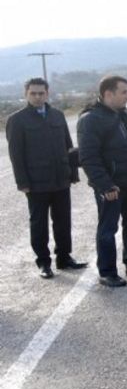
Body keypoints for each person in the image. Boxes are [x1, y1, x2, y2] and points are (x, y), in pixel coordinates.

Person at [78, 75, 127, 287]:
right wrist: (105, 185)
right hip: (111, 186)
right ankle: (107, 272)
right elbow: (89, 158)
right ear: (108, 94)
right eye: (123, 92)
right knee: (108, 230)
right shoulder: (91, 119)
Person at [6, 77, 87, 279]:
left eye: (41, 93)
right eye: (33, 93)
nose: (37, 96)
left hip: (60, 179)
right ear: (26, 94)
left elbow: (68, 147)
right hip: (36, 182)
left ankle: (64, 258)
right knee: (39, 224)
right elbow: (16, 155)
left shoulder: (57, 116)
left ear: (47, 94)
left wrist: (72, 174)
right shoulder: (17, 120)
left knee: (63, 221)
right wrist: (22, 182)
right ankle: (43, 262)